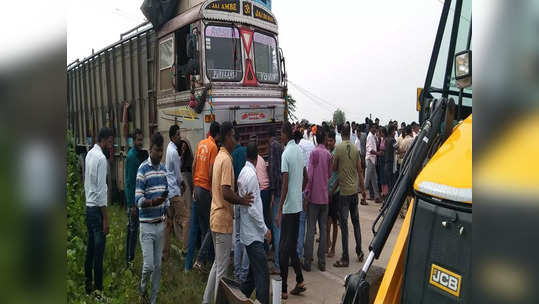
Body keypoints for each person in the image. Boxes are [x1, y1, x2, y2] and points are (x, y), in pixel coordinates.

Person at [202, 122, 253, 304]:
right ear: (226, 138)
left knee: (217, 266)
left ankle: (206, 301)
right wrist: (242, 200)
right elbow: (225, 191)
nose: (235, 139)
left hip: (215, 218)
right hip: (222, 221)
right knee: (222, 272)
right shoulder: (226, 160)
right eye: (232, 135)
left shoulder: (219, 157)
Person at [135, 132, 169, 304]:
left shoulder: (163, 170)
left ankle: (152, 300)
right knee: (148, 265)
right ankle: (142, 290)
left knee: (158, 267)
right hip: (147, 226)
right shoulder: (142, 170)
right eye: (157, 150)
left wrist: (166, 205)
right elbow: (138, 200)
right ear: (150, 150)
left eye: (161, 150)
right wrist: (152, 202)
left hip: (160, 225)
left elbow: (166, 195)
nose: (160, 154)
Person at [275, 122, 308, 299]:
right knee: (291, 247)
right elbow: (306, 178)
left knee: (282, 249)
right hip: (297, 206)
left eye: (281, 134)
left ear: (285, 134)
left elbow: (285, 185)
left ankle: (284, 289)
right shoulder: (299, 151)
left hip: (288, 208)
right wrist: (299, 193)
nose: (280, 137)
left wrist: (279, 210)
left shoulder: (286, 153)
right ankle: (300, 280)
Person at [238, 142, 272, 304]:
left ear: (246, 156)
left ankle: (239, 298)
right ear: (257, 158)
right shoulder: (251, 176)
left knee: (252, 277)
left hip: (248, 232)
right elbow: (252, 209)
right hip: (253, 234)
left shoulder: (243, 173)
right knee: (263, 275)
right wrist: (265, 229)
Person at [186, 121, 220, 272]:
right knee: (211, 226)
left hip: (197, 188)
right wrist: (213, 192)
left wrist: (194, 187)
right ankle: (201, 260)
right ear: (217, 134)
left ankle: (206, 263)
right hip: (206, 189)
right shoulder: (213, 147)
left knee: (202, 226)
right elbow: (212, 171)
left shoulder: (201, 143)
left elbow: (194, 166)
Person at [333, 124, 367, 268]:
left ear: (341, 134)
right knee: (356, 222)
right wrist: (363, 190)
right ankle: (359, 251)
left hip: (344, 193)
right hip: (354, 192)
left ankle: (345, 258)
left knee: (344, 226)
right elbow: (360, 171)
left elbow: (333, 168)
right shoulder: (355, 148)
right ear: (351, 133)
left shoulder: (338, 148)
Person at [84, 127, 113, 297]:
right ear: (103, 140)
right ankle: (99, 291)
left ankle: (88, 287)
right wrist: (106, 219)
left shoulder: (89, 154)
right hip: (97, 209)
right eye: (110, 142)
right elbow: (101, 191)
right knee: (98, 253)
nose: (111, 146)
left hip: (89, 207)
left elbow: (87, 183)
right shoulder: (101, 159)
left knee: (90, 250)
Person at [303, 127, 332, 272]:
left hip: (314, 197)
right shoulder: (327, 154)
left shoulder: (314, 153)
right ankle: (322, 262)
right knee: (323, 229)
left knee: (310, 229)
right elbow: (329, 174)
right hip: (324, 197)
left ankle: (307, 261)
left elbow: (310, 176)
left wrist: (307, 194)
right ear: (324, 139)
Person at [163, 125, 188, 261]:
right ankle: (185, 250)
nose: (180, 137)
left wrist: (182, 154)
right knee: (186, 219)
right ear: (173, 137)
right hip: (174, 191)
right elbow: (178, 175)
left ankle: (164, 254)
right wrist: (182, 183)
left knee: (168, 223)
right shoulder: (173, 152)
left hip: (169, 191)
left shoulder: (170, 149)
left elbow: (175, 164)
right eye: (178, 135)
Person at [125, 128, 145, 267]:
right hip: (134, 203)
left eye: (141, 139)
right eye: (138, 140)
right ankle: (129, 261)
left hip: (136, 201)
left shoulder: (137, 154)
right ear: (133, 141)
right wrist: (132, 204)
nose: (140, 142)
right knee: (132, 231)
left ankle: (130, 259)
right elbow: (130, 182)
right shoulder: (132, 157)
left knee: (133, 230)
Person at [231, 134, 249, 283]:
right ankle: (243, 275)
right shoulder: (245, 152)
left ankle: (237, 274)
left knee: (237, 238)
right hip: (246, 199)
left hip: (235, 198)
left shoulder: (230, 156)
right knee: (246, 237)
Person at [297, 130, 315, 260]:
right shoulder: (311, 145)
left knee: (301, 222)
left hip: (303, 187)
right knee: (311, 223)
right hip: (313, 188)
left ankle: (299, 252)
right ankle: (309, 253)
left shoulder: (298, 147)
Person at [267, 125, 283, 275]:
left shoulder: (272, 147)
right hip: (283, 190)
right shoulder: (281, 146)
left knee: (276, 227)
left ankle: (277, 264)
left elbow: (272, 171)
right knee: (281, 227)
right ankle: (281, 260)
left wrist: (271, 193)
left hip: (276, 192)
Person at [326, 130, 339, 258]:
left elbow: (339, 175)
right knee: (327, 220)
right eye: (328, 140)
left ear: (334, 141)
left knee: (334, 221)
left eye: (331, 140)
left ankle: (333, 248)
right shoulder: (328, 153)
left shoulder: (336, 154)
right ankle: (327, 242)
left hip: (335, 193)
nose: (329, 143)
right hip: (327, 192)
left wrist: (332, 190)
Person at [255, 150, 272, 253]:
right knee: (266, 218)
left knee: (260, 219)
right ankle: (267, 245)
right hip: (266, 190)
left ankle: (264, 246)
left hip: (261, 191)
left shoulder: (253, 161)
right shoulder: (261, 159)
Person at [365, 124, 382, 204]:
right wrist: (378, 153)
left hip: (372, 160)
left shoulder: (373, 136)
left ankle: (377, 196)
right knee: (367, 180)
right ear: (371, 128)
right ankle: (363, 197)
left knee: (374, 179)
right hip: (370, 159)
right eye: (374, 128)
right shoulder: (369, 137)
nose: (375, 129)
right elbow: (370, 149)